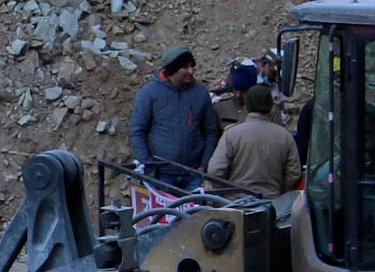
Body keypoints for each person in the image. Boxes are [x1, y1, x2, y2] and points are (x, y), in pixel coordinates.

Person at [129, 47, 221, 192]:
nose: (191, 71)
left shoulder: (200, 92)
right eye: (185, 67)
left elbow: (210, 130)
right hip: (161, 175)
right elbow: (137, 131)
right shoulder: (149, 93)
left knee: (195, 214)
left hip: (194, 174)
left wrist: (204, 164)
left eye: (192, 66)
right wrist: (149, 164)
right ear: (172, 70)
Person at [207, 84, 302, 199]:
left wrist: (225, 193)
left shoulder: (232, 134)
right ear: (271, 107)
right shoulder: (285, 137)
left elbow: (215, 170)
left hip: (236, 203)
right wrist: (279, 190)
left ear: (246, 107)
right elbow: (294, 173)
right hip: (271, 203)